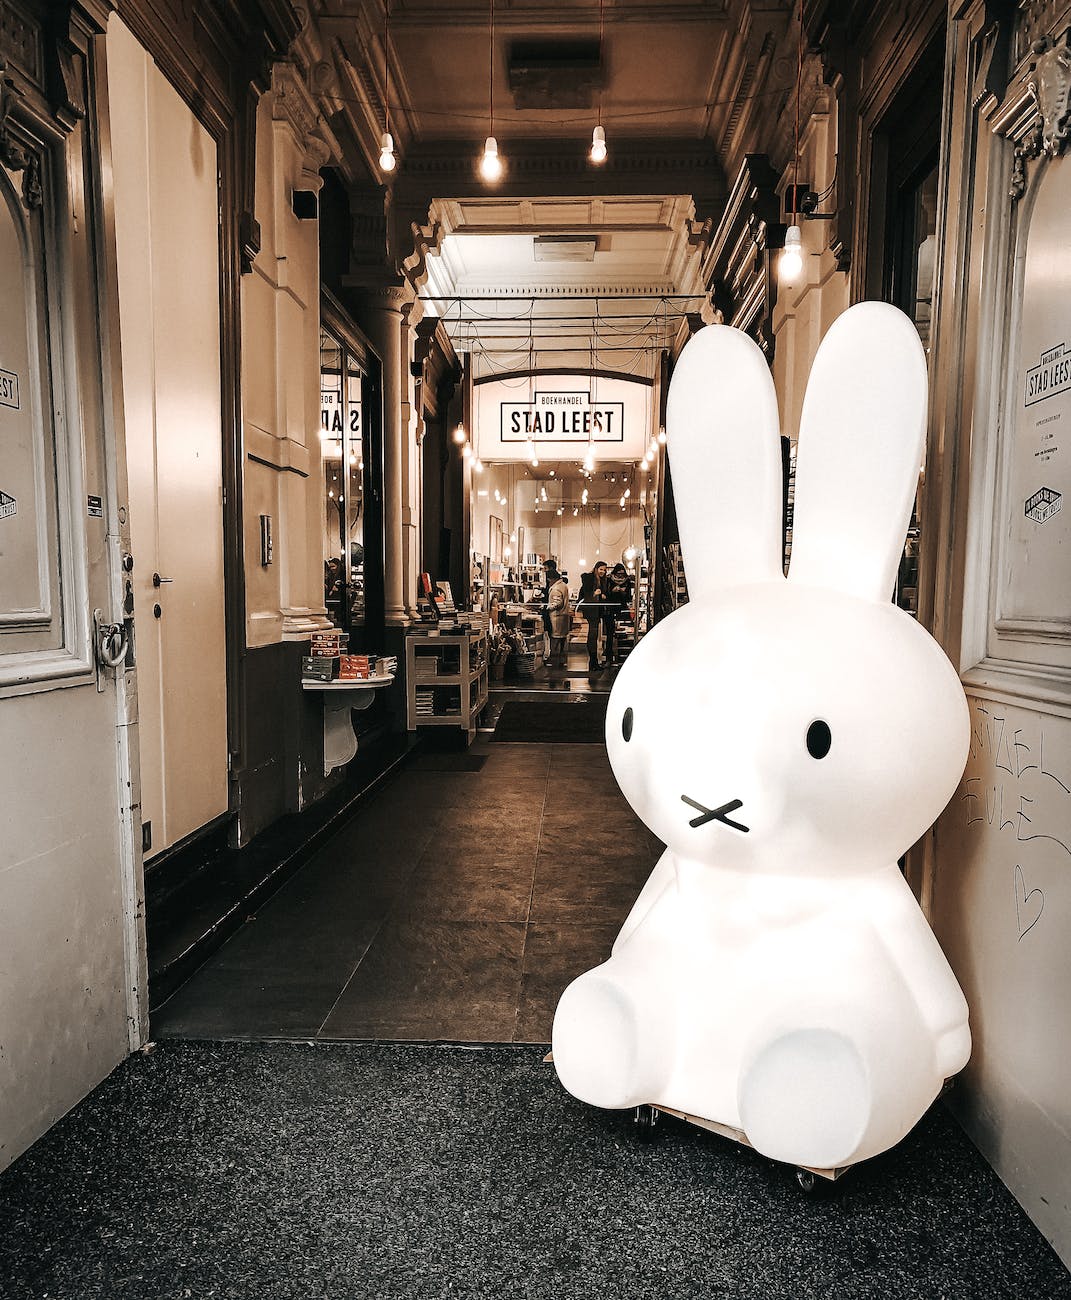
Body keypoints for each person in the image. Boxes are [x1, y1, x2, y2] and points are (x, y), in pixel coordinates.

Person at [578, 560, 609, 670]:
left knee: (593, 635)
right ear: (596, 569)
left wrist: (602, 596)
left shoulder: (601, 581)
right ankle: (593, 661)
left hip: (596, 611)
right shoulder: (590, 579)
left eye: (604, 570)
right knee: (592, 636)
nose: (603, 572)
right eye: (601, 569)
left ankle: (594, 661)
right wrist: (594, 594)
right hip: (592, 611)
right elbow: (587, 594)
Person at [603, 563, 634, 665]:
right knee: (609, 634)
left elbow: (629, 597)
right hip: (610, 609)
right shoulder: (608, 580)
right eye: (618, 573)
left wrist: (622, 592)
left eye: (622, 573)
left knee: (624, 634)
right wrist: (612, 591)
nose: (620, 576)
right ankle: (608, 657)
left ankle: (622, 657)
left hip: (622, 610)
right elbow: (605, 594)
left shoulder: (628, 581)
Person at [546, 569, 571, 668]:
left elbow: (557, 602)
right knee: (562, 640)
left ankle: (554, 660)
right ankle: (562, 660)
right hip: (563, 616)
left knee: (555, 639)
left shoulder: (556, 588)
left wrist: (547, 607)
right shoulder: (563, 585)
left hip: (556, 617)